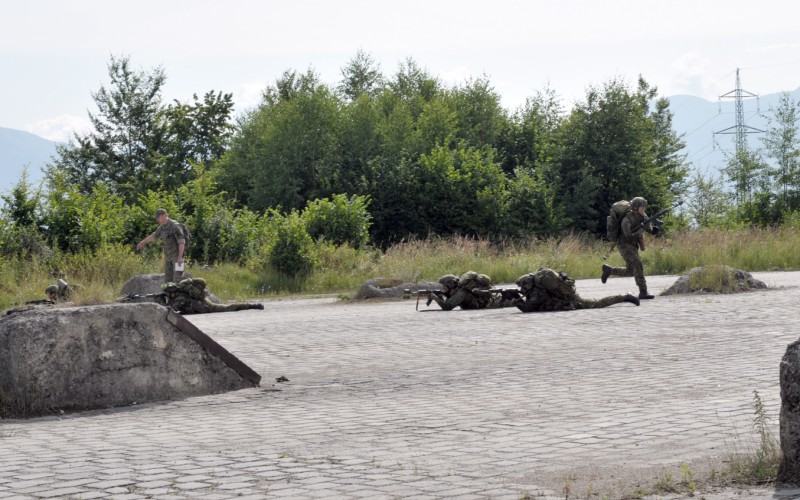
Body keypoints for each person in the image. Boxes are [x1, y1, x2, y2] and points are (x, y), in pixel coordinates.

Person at [601, 197, 659, 299]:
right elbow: (628, 236)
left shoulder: (643, 216)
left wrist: (653, 230)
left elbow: (648, 228)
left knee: (631, 271)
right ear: (636, 208)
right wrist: (641, 230)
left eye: (644, 207)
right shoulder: (626, 220)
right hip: (624, 245)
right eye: (642, 207)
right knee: (638, 263)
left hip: (633, 245)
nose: (644, 209)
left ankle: (609, 271)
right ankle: (643, 291)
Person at [514, 268, 639, 313]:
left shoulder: (538, 292)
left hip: (571, 301)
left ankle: (625, 296)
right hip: (567, 300)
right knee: (596, 304)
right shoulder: (539, 287)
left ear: (529, 284)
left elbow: (528, 308)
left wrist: (514, 301)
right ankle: (624, 296)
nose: (522, 290)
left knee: (597, 304)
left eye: (523, 287)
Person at [136, 209, 186, 284]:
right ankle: (169, 295)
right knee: (168, 281)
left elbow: (181, 242)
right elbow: (154, 236)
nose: (157, 219)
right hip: (168, 257)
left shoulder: (175, 226)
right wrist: (143, 242)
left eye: (158, 217)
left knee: (178, 280)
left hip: (177, 257)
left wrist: (180, 257)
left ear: (163, 215)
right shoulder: (162, 227)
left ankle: (181, 296)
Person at [164, 278, 264, 314]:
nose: (168, 295)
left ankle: (253, 305)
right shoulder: (181, 293)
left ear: (172, 292)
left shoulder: (180, 298)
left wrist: (190, 280)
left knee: (229, 308)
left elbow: (172, 309)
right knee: (226, 306)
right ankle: (252, 305)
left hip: (207, 307)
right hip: (203, 301)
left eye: (168, 294)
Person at [427, 271, 518, 311]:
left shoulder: (460, 293)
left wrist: (435, 298)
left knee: (512, 302)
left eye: (445, 286)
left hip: (489, 304)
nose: (443, 289)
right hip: (484, 303)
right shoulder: (456, 291)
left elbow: (447, 307)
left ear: (450, 285)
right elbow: (449, 300)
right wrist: (440, 297)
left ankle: (512, 297)